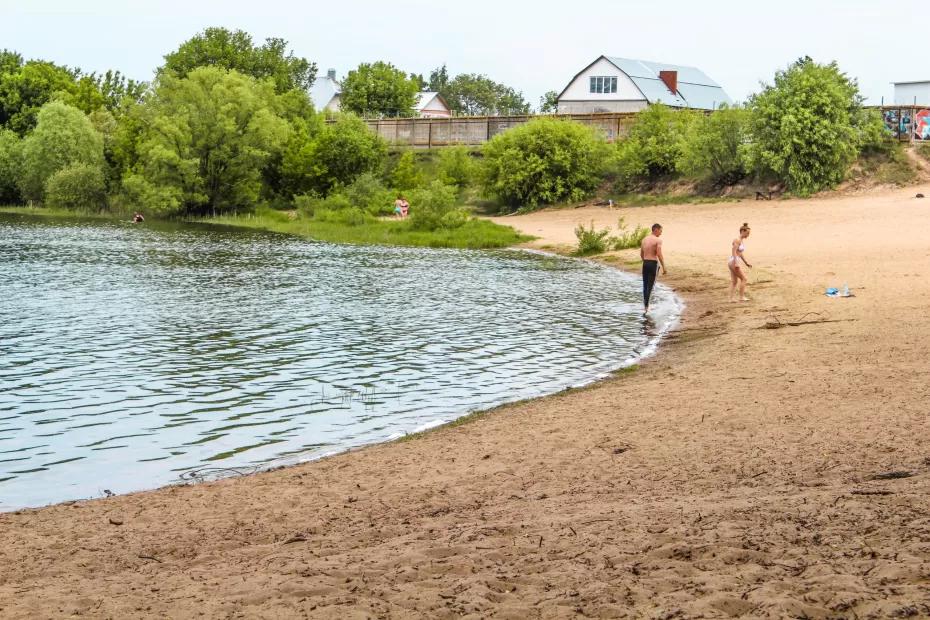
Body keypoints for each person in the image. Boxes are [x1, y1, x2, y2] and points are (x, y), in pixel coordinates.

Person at [640, 223, 666, 314]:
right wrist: (664, 266)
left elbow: (641, 255)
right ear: (656, 229)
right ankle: (647, 308)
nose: (661, 233)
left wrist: (646, 262)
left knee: (645, 285)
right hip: (653, 264)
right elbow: (659, 254)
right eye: (660, 231)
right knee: (650, 286)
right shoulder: (658, 240)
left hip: (645, 263)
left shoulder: (644, 240)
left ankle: (645, 306)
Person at [728, 222, 753, 302]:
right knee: (744, 279)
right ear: (742, 231)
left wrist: (746, 263)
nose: (748, 235)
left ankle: (730, 299)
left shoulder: (741, 241)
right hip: (733, 261)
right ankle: (741, 297)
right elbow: (734, 251)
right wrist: (736, 263)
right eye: (747, 233)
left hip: (733, 261)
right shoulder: (737, 240)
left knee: (734, 281)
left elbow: (740, 253)